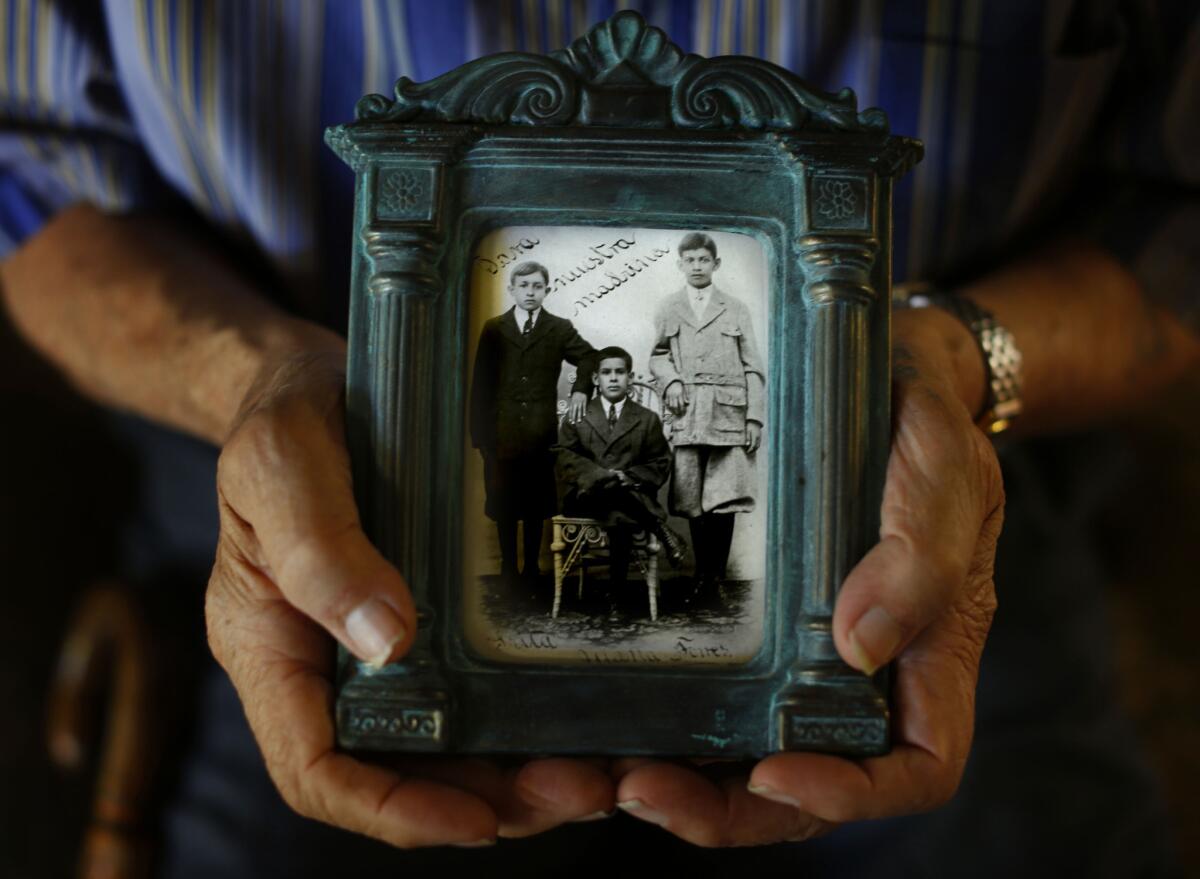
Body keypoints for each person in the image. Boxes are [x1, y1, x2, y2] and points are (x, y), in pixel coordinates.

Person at [1, 3, 1196, 875]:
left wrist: (945, 359)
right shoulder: (579, 334)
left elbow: (1177, 227)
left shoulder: (607, 337)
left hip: (921, 494)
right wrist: (262, 383)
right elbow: (33, 191)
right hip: (298, 505)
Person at [650, 233, 764, 594]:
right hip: (687, 414)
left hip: (729, 414)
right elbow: (657, 355)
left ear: (716, 264)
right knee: (692, 498)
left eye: (703, 260)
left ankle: (718, 577)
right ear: (679, 265)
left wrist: (754, 418)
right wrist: (670, 383)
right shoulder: (669, 306)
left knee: (725, 496)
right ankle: (701, 575)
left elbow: (753, 367)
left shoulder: (736, 308)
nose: (697, 266)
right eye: (690, 260)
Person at [469, 260, 596, 583]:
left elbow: (590, 357)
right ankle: (508, 567)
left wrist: (581, 390)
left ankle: (532, 569)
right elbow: (480, 384)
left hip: (540, 433)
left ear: (547, 290)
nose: (530, 292)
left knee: (536, 502)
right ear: (511, 290)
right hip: (500, 434)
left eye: (537, 286)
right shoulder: (495, 328)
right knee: (504, 501)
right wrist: (480, 437)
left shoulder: (559, 328)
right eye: (524, 286)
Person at [555, 345, 688, 588]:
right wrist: (601, 475)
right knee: (613, 498)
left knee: (619, 514)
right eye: (606, 372)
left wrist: (627, 477)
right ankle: (659, 528)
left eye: (620, 372)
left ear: (629, 377)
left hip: (629, 493)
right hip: (584, 497)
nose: (614, 378)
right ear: (596, 378)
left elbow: (660, 462)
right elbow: (564, 456)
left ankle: (615, 595)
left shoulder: (647, 418)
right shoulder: (579, 413)